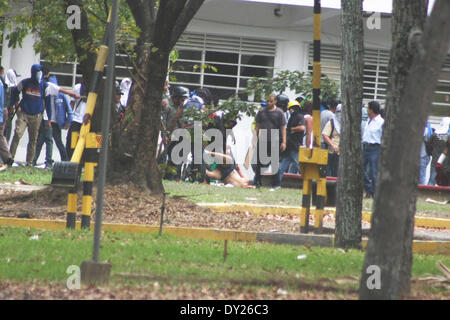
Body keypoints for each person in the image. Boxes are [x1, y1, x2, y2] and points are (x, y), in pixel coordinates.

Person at [9, 64, 80, 165]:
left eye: (40, 72)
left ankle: (29, 163)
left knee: (33, 139)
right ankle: (10, 158)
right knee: (17, 134)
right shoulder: (25, 82)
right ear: (33, 72)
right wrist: (15, 105)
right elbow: (15, 92)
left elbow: (48, 102)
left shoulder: (44, 85)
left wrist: (49, 119)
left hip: (37, 115)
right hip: (24, 113)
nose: (39, 74)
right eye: (38, 71)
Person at [252, 93, 286, 190]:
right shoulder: (262, 112)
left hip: (275, 140)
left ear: (275, 101)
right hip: (262, 139)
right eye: (267, 101)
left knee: (274, 163)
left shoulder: (279, 113)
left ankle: (276, 184)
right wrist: (254, 139)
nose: (269, 103)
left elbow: (283, 128)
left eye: (271, 101)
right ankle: (257, 182)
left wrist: (284, 142)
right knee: (259, 163)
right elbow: (257, 127)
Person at [277, 100, 306, 186]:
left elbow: (302, 128)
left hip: (295, 146)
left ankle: (308, 184)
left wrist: (291, 129)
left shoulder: (300, 116)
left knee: (300, 165)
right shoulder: (292, 117)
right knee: (282, 167)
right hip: (290, 146)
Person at [362, 101, 384, 198]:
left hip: (375, 147)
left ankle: (376, 195)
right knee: (360, 169)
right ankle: (370, 189)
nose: (367, 110)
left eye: (368, 108)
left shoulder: (381, 122)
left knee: (374, 172)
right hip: (365, 147)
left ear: (371, 110)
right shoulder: (368, 120)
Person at [32, 68, 53, 168]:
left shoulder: (38, 84)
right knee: (48, 140)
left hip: (39, 116)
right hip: (45, 117)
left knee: (39, 140)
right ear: (48, 74)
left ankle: (33, 160)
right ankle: (48, 162)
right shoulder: (48, 85)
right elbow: (49, 104)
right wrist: (49, 118)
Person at [66, 79, 87, 160]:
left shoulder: (96, 88)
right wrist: (69, 119)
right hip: (77, 118)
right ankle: (70, 159)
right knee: (71, 140)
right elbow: (72, 103)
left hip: (87, 121)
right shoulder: (77, 87)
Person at [428, 117, 450, 185]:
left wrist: (431, 154)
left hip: (436, 160)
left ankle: (428, 194)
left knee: (432, 179)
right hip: (446, 163)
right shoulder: (448, 136)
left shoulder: (435, 134)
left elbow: (428, 146)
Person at [322, 103, 342, 177]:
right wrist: (333, 145)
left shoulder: (348, 123)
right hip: (332, 152)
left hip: (343, 153)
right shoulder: (332, 122)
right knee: (331, 172)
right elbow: (325, 135)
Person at [0, 66, 14, 171]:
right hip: (3, 111)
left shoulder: (2, 84)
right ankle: (7, 157)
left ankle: (8, 157)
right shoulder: (4, 83)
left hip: (1, 111)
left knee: (1, 135)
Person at [3, 69, 20, 142]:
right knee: (6, 136)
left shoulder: (2, 85)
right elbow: (17, 104)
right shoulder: (14, 89)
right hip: (8, 114)